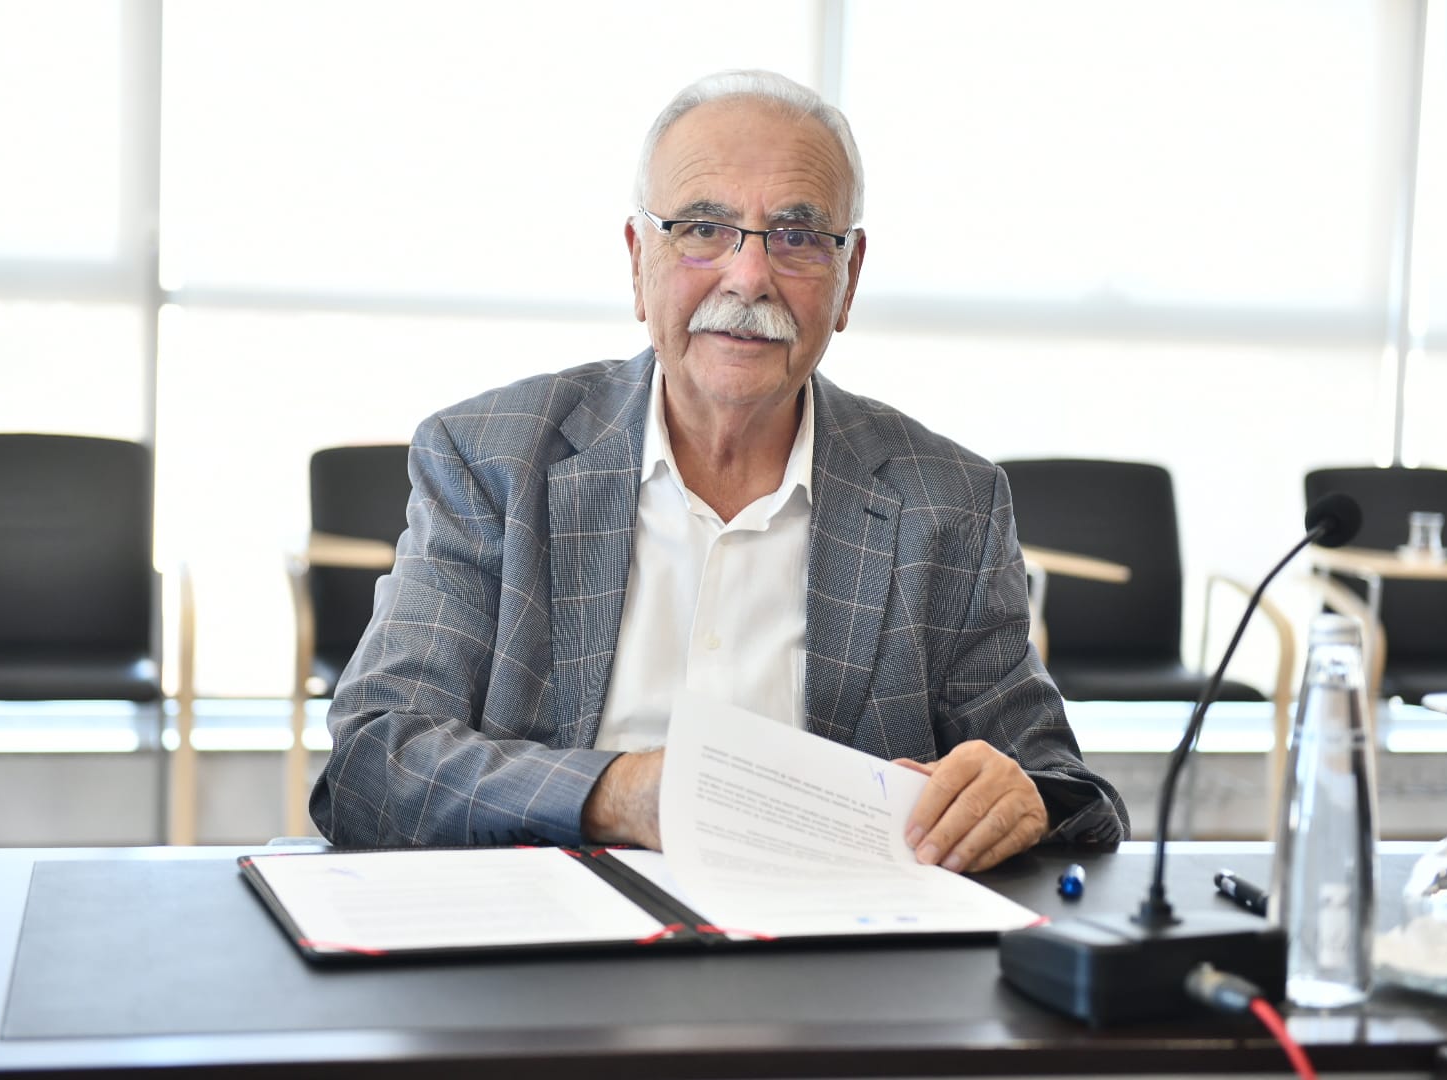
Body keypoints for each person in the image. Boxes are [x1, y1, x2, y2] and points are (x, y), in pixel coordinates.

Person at [311, 70, 1128, 869]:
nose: (749, 277)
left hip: (836, 942)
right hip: (556, 937)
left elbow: (1065, 790)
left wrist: (1022, 799)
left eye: (798, 237)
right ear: (638, 260)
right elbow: (374, 765)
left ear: (848, 280)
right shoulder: (490, 460)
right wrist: (620, 795)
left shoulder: (949, 503)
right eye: (703, 228)